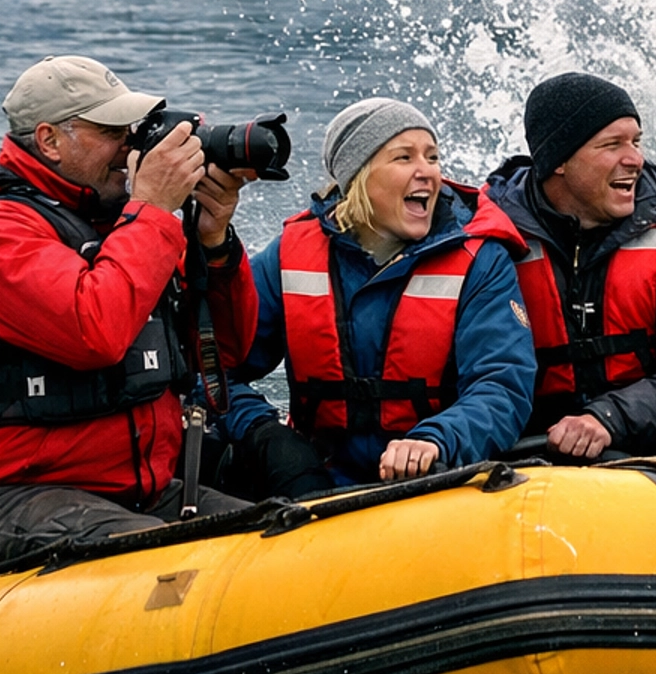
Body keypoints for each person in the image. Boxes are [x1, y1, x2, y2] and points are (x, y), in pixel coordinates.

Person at [0, 55, 259, 575]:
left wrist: (213, 238)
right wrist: (155, 210)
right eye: (111, 132)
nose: (130, 147)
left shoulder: (122, 223)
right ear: (49, 140)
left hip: (125, 490)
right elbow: (95, 331)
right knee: (161, 565)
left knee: (274, 542)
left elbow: (225, 356)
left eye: (131, 131)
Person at [223, 99, 534, 495]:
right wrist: (267, 436)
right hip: (317, 482)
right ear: (359, 176)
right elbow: (213, 371)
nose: (428, 172)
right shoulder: (290, 255)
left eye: (433, 157)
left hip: (437, 480)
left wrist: (436, 439)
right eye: (404, 157)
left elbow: (502, 384)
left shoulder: (481, 260)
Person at [483, 72, 656, 460]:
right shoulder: (492, 240)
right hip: (530, 457)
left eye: (636, 142)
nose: (635, 160)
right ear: (559, 161)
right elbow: (477, 375)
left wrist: (608, 418)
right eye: (613, 145)